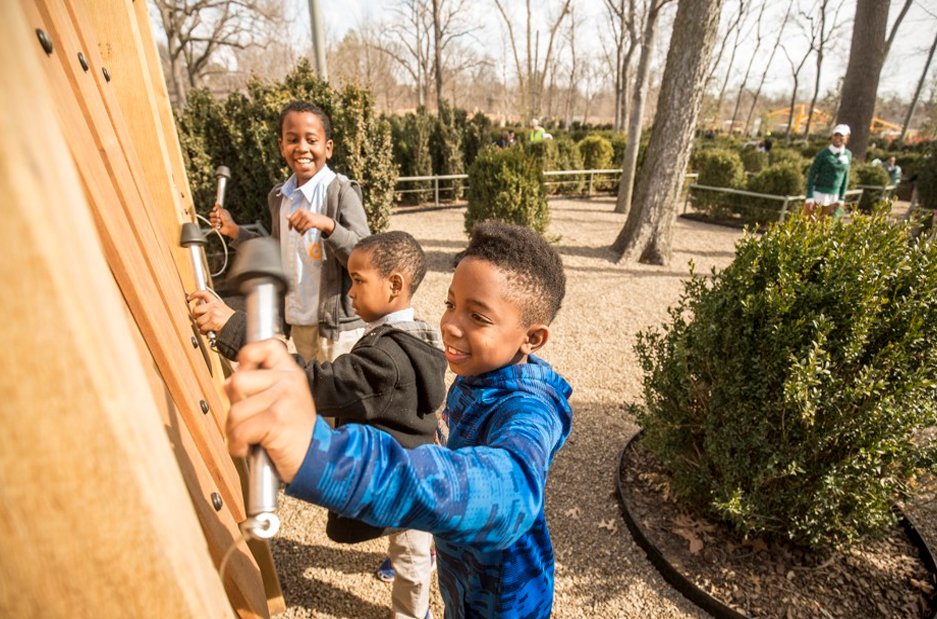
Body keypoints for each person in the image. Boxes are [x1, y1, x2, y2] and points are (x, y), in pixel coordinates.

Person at [224, 221, 573, 619]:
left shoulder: (530, 410)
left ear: (532, 338)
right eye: (450, 304)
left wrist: (318, 454)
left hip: (507, 604)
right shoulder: (476, 375)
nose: (451, 324)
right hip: (462, 584)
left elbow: (507, 492)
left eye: (478, 317)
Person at [303, 231, 447, 619]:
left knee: (412, 559)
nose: (350, 292)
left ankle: (414, 616)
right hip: (416, 467)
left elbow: (325, 384)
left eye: (358, 280)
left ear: (394, 284)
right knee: (411, 547)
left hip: (406, 479)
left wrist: (241, 336)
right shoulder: (414, 336)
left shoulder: (385, 357)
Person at [190, 100, 370, 364]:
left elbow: (366, 257)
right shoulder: (279, 197)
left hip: (336, 329)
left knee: (338, 398)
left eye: (311, 140)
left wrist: (327, 225)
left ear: (327, 148)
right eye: (292, 139)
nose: (302, 148)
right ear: (281, 146)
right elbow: (276, 250)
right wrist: (235, 231)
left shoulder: (341, 192)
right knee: (308, 394)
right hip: (298, 323)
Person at [803, 124, 853, 221]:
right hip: (818, 194)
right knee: (808, 223)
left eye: (841, 136)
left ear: (846, 138)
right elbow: (812, 175)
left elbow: (845, 177)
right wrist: (809, 196)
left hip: (834, 196)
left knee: (826, 226)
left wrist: (841, 198)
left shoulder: (848, 155)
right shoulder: (823, 154)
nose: (837, 138)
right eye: (835, 135)